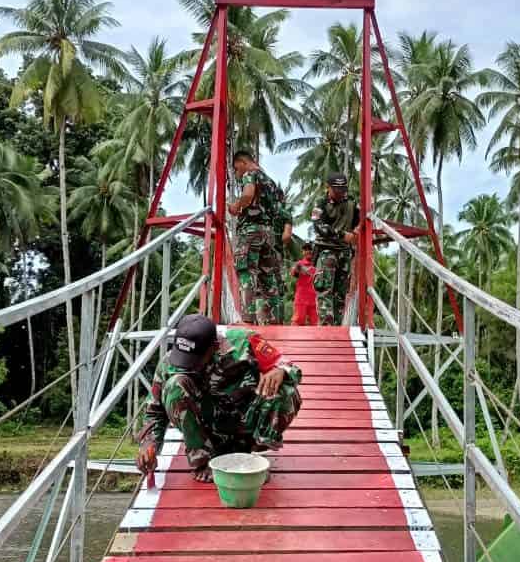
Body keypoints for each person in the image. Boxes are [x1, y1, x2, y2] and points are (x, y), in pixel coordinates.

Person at [136, 313, 303, 482]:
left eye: (196, 359)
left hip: (244, 423)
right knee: (174, 385)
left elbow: (289, 366)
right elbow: (154, 411)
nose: (190, 365)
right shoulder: (170, 362)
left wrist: (279, 370)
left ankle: (251, 454)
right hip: (208, 428)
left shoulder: (244, 342)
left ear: (214, 347)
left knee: (286, 390)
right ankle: (203, 460)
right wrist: (148, 444)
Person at [226, 149, 289, 325]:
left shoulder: (250, 174)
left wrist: (236, 206)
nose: (238, 174)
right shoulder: (270, 182)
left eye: (237, 169)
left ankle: (248, 319)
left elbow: (247, 194)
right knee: (268, 278)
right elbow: (278, 209)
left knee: (246, 272)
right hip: (268, 233)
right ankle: (275, 320)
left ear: (242, 162)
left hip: (251, 231)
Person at [312, 172, 361, 325]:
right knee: (325, 290)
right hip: (327, 251)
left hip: (344, 253)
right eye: (337, 190)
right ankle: (326, 328)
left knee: (340, 294)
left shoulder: (352, 203)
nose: (340, 193)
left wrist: (358, 229)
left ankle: (338, 328)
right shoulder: (320, 204)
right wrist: (342, 235)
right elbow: (319, 226)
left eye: (343, 189)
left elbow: (361, 221)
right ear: (328, 188)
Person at [290, 242, 318, 326]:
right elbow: (294, 272)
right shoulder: (299, 264)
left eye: (310, 249)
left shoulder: (318, 264)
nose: (308, 251)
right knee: (297, 322)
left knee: (316, 324)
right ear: (302, 252)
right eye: (305, 249)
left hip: (315, 300)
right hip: (301, 298)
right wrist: (297, 268)